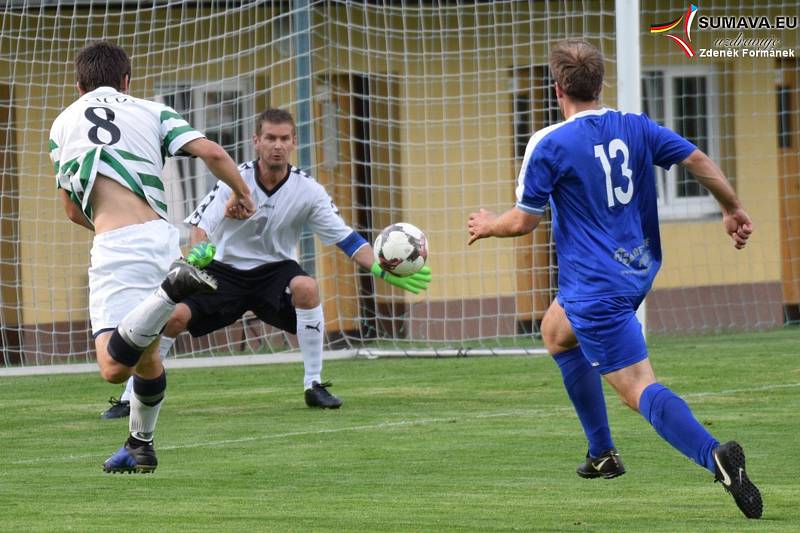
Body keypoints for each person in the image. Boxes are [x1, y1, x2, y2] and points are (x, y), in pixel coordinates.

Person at [467, 40, 761, 519]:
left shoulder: (550, 142)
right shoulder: (637, 126)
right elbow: (698, 161)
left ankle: (715, 457)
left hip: (596, 287)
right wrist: (732, 208)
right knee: (556, 334)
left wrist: (486, 224)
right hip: (635, 271)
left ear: (557, 88)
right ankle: (601, 453)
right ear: (600, 83)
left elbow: (524, 221)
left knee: (638, 388)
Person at [101, 107, 432, 415]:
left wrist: (378, 266)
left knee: (306, 286)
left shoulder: (309, 190)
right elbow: (200, 230)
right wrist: (200, 255)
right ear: (256, 141)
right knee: (172, 317)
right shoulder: (233, 182)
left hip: (274, 272)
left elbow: (346, 238)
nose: (277, 146)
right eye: (270, 138)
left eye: (284, 138)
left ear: (293, 142)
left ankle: (313, 384)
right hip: (225, 271)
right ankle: (132, 396)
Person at [49, 41, 255, 473]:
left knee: (111, 367)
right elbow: (214, 153)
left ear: (78, 85)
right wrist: (242, 193)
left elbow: (71, 210)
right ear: (127, 81)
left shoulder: (62, 123)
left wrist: (109, 229)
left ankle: (170, 289)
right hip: (162, 237)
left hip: (117, 246)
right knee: (147, 356)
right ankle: (140, 445)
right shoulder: (153, 111)